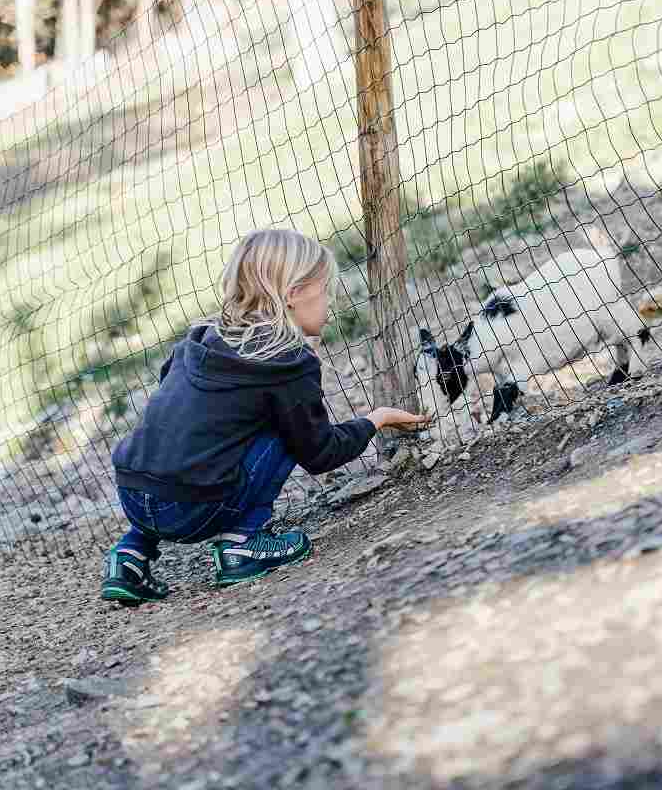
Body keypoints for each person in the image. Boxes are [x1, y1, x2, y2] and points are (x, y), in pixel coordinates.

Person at [101, 229, 429, 605]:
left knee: (185, 432)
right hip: (194, 509)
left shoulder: (197, 338)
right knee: (285, 425)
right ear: (292, 295)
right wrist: (377, 419)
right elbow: (318, 453)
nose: (330, 303)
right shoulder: (288, 363)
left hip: (132, 493)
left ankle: (129, 556)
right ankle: (242, 544)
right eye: (324, 292)